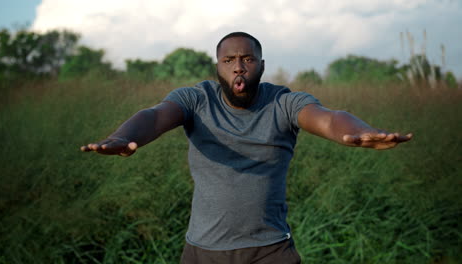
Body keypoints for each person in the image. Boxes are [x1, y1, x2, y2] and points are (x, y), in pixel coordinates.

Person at [81, 32, 412, 264]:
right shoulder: (196, 100)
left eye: (247, 59)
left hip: (269, 252)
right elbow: (154, 117)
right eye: (229, 60)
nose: (238, 66)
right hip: (203, 252)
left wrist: (355, 133)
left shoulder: (283, 102)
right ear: (218, 68)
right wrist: (122, 137)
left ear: (261, 66)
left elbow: (328, 118)